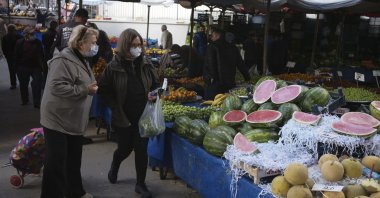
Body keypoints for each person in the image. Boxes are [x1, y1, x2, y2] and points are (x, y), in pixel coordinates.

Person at [97, 28, 159, 198]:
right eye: (133, 45)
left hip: (143, 115)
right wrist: (115, 106)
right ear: (125, 45)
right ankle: (115, 163)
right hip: (123, 116)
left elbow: (155, 84)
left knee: (141, 149)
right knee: (125, 148)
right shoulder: (113, 67)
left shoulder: (145, 64)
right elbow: (103, 90)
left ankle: (140, 184)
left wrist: (154, 94)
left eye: (139, 45)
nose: (137, 48)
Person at [40, 25, 99, 198]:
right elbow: (56, 86)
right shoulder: (63, 60)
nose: (95, 47)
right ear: (81, 43)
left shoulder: (81, 59)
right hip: (57, 120)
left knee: (73, 159)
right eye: (93, 43)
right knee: (56, 163)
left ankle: (75, 192)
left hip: (73, 120)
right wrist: (84, 90)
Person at [203, 27, 250, 100]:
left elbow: (210, 65)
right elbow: (241, 64)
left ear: (216, 34)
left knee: (212, 104)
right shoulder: (233, 47)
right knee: (227, 104)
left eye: (212, 34)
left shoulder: (212, 47)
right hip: (230, 82)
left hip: (215, 84)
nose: (211, 36)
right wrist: (247, 77)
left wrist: (208, 80)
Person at [14, 26, 44, 108]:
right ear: (26, 34)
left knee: (37, 85)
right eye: (31, 33)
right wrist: (16, 68)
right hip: (23, 67)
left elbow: (41, 55)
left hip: (35, 67)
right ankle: (25, 100)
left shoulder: (37, 42)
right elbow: (16, 56)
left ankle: (37, 102)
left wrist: (42, 66)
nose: (33, 35)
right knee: (23, 85)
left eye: (33, 33)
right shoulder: (19, 42)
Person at [2, 24, 22, 89]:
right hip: (15, 56)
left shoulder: (5, 37)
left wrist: (6, 55)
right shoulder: (19, 36)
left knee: (12, 71)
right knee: (18, 70)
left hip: (11, 56)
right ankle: (20, 83)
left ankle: (13, 84)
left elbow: (3, 48)